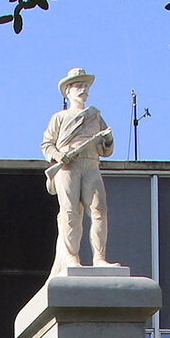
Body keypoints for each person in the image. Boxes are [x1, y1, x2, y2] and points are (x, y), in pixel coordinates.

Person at [41, 67, 120, 273]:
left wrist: (109, 139)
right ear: (68, 91)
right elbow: (47, 144)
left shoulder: (95, 116)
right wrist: (58, 156)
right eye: (78, 85)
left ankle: (100, 258)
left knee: (99, 210)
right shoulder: (59, 117)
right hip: (67, 166)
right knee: (70, 211)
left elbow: (106, 149)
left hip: (91, 164)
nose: (83, 89)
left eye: (85, 85)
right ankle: (70, 257)